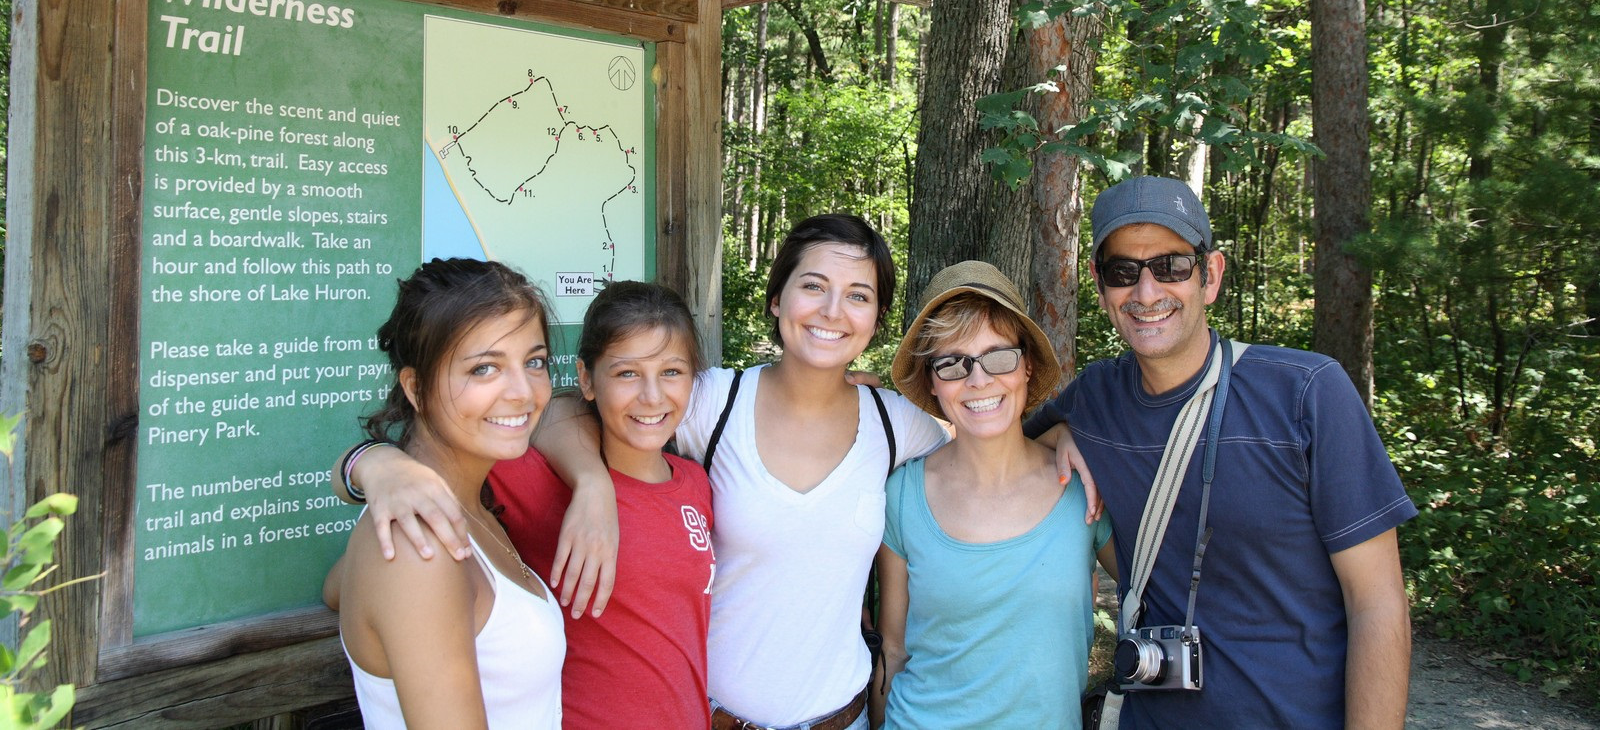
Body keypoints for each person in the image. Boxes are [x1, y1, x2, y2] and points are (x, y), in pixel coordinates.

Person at [342, 214, 949, 730]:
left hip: (842, 716)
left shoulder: (894, 422)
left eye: (858, 295)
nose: (833, 310)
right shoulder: (714, 402)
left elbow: (976, 432)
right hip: (722, 716)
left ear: (879, 317)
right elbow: (563, 408)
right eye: (813, 285)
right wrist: (372, 462)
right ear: (776, 298)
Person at [1025, 176, 1416, 730]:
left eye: (1171, 267)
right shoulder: (1094, 400)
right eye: (1123, 272)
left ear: (1210, 275)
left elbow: (1377, 602)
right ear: (1099, 283)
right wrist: (1061, 436)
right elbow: (994, 445)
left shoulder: (1305, 394)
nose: (1146, 292)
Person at [326, 258, 564, 730]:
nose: (523, 392)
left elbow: (338, 589)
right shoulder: (421, 547)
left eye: (534, 362)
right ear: (416, 388)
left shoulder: (457, 509)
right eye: (484, 368)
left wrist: (368, 462)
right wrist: (370, 464)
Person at [873, 261, 1112, 729]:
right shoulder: (902, 494)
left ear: (1027, 366)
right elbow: (893, 649)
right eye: (952, 363)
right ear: (932, 382)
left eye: (998, 356)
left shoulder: (1080, 484)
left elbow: (1163, 590)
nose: (978, 380)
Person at [487, 280, 715, 729]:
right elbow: (425, 457)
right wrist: (369, 464)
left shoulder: (695, 483)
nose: (652, 396)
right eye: (627, 373)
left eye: (672, 371)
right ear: (587, 379)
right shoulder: (541, 479)